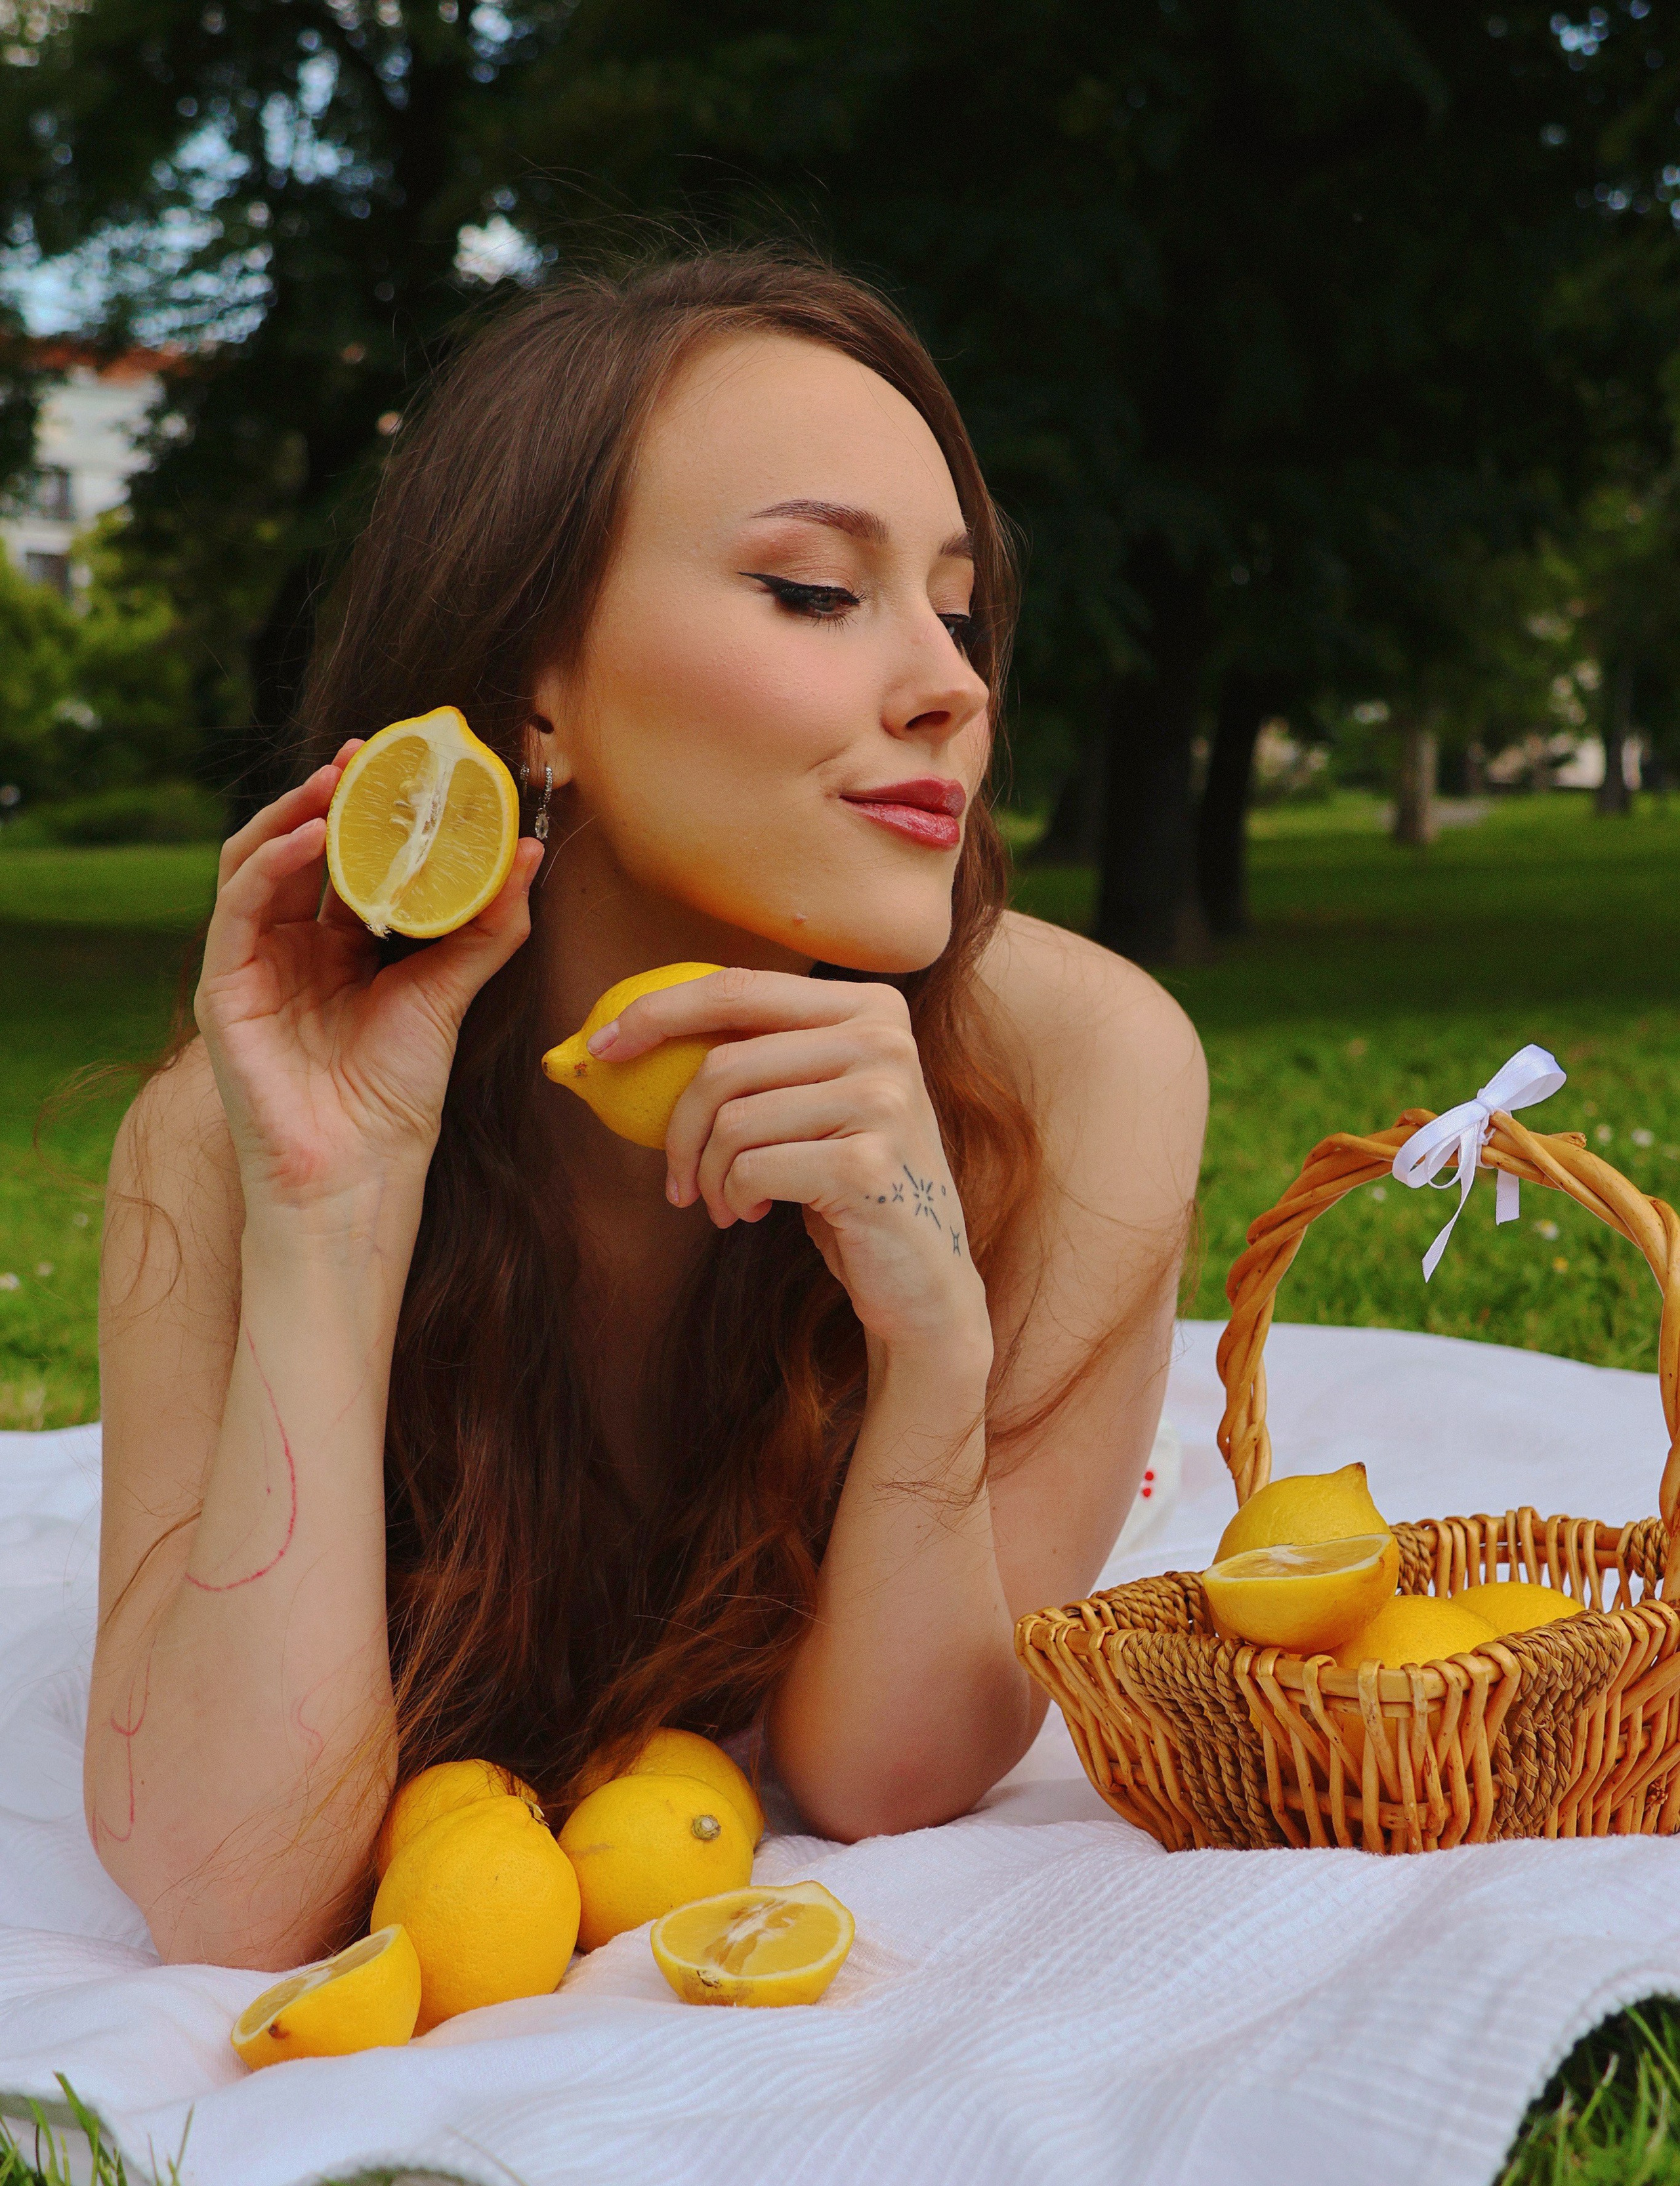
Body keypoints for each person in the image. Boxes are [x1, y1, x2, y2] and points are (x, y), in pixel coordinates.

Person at [85, 249, 1207, 1971]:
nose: (952, 686)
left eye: (959, 607)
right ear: (538, 687)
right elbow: (237, 1892)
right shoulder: (226, 1134)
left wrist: (932, 1338)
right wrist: (330, 1207)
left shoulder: (1082, 1078)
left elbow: (879, 1778)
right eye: (819, 593)